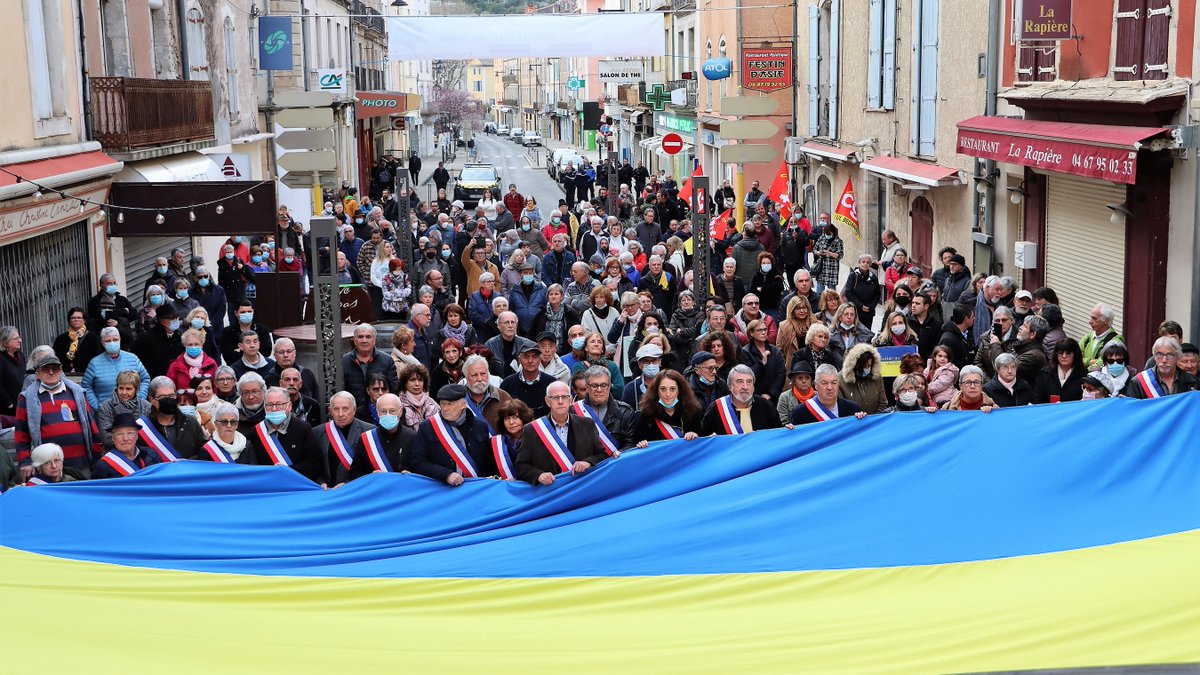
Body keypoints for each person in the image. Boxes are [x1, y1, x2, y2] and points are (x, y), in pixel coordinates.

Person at [15, 352, 102, 480]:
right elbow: (21, 434)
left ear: (61, 371)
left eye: (55, 368)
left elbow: (92, 427)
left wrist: (97, 456)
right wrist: (25, 461)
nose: (51, 372)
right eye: (45, 369)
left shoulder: (77, 392)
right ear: (37, 374)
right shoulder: (26, 398)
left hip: (80, 462)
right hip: (49, 466)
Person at [515, 381, 608, 486]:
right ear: (547, 401)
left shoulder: (587, 424)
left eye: (564, 397)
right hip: (550, 492)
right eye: (555, 397)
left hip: (581, 488)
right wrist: (538, 475)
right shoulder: (532, 429)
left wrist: (587, 462)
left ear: (570, 400)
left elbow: (602, 455)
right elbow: (521, 465)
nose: (560, 401)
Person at [411, 384, 497, 485]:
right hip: (442, 487)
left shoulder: (480, 426)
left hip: (474, 488)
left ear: (463, 405)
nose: (445, 408)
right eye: (442, 404)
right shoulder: (428, 427)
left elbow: (488, 462)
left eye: (450, 404)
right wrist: (446, 474)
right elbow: (417, 463)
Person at [239, 386, 322, 483]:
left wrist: (289, 470)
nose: (274, 409)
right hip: (267, 486)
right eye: (269, 405)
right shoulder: (255, 432)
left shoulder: (303, 429)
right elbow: (250, 466)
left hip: (296, 485)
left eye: (279, 404)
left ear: (289, 406)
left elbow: (315, 464)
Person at [305, 392, 375, 486]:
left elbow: (370, 468)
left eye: (345, 409)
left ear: (354, 410)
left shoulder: (368, 431)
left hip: (354, 490)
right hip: (326, 491)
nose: (340, 414)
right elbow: (312, 464)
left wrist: (348, 484)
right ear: (330, 411)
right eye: (336, 409)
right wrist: (320, 482)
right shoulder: (317, 432)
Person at [344, 393, 416, 480]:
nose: (388, 414)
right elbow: (354, 473)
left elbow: (420, 469)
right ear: (378, 412)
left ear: (400, 412)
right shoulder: (366, 438)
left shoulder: (412, 437)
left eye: (392, 411)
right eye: (383, 411)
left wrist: (412, 475)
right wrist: (370, 476)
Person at [701, 365, 784, 435]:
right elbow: (704, 438)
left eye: (749, 382)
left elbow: (777, 435)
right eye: (739, 381)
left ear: (753, 386)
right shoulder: (717, 408)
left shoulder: (766, 406)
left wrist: (786, 431)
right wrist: (693, 436)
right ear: (730, 386)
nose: (745, 387)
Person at [81, 327, 151, 409]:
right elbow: (86, 386)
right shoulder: (94, 363)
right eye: (107, 341)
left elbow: (145, 379)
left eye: (115, 339)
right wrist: (97, 406)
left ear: (120, 339)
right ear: (102, 343)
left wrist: (139, 397)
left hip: (133, 410)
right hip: (105, 413)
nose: (112, 343)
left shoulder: (133, 358)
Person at [574, 365, 636, 451]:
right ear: (587, 387)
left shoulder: (625, 411)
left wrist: (618, 456)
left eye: (603, 385)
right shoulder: (573, 411)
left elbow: (630, 444)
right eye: (594, 386)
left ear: (610, 386)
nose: (599, 390)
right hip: (585, 463)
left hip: (615, 462)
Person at [142, 376, 204, 459]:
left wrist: (187, 463)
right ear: (151, 400)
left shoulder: (191, 422)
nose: (168, 400)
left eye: (171, 395)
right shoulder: (143, 427)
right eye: (162, 397)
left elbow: (204, 452)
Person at [91, 413, 163, 479]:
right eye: (120, 434)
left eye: (130, 433)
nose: (125, 438)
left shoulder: (152, 454)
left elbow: (162, 479)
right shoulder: (103, 466)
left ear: (137, 435)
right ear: (113, 437)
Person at [791, 364, 867, 424]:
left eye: (834, 383)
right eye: (824, 383)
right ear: (815, 385)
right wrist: (789, 431)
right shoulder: (800, 412)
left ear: (838, 384)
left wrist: (862, 421)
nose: (830, 387)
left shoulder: (852, 409)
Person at [1124, 337, 1198, 398]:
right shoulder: (1138, 382)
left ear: (1177, 357)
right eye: (1159, 354)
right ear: (1154, 357)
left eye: (1169, 355)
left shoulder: (1194, 382)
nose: (1164, 360)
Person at [342, 324, 398, 406]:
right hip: (353, 412)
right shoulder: (344, 361)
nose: (364, 340)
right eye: (360, 337)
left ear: (374, 340)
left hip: (380, 410)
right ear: (354, 340)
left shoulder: (387, 360)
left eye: (368, 337)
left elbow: (394, 389)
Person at [462, 354, 511, 434]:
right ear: (466, 377)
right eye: (474, 375)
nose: (480, 379)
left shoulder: (504, 397)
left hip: (496, 445)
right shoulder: (458, 399)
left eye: (483, 374)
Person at [739, 319, 785, 402]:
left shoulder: (775, 351)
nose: (763, 332)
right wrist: (761, 363)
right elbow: (747, 376)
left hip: (773, 398)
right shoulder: (745, 352)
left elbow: (781, 375)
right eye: (759, 330)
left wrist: (770, 394)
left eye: (765, 329)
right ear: (751, 333)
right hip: (753, 398)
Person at [134, 303, 183, 378]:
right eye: (172, 318)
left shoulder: (178, 336)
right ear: (162, 321)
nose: (176, 320)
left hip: (175, 377)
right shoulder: (147, 338)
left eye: (177, 317)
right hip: (155, 378)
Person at [1033, 337, 1087, 404]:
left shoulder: (1083, 375)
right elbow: (1036, 398)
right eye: (1060, 353)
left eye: (1068, 353)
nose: (1064, 356)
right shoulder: (1046, 372)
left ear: (1075, 355)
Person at [220, 300, 273, 366]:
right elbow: (228, 356)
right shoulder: (228, 332)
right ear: (236, 313)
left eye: (249, 311)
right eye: (243, 312)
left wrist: (241, 350)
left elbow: (267, 351)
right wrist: (254, 350)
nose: (246, 314)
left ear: (253, 312)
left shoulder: (262, 330)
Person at [53, 308, 101, 376]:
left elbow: (97, 357)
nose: (76, 320)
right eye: (73, 318)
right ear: (69, 320)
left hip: (87, 374)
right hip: (66, 374)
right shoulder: (61, 338)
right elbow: (56, 356)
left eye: (79, 318)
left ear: (84, 320)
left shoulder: (93, 338)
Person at [1008, 314, 1049, 387]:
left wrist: (995, 345)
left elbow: (1005, 369)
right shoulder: (1022, 347)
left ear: (1032, 334)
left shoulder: (1034, 356)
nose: (1020, 327)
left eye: (1024, 326)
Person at [1080, 303, 1125, 370]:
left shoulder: (1115, 341)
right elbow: (1073, 357)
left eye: (1094, 318)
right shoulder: (1088, 337)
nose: (1089, 321)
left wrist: (1083, 362)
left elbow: (1102, 364)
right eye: (1090, 317)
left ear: (1105, 321)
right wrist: (1091, 361)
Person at [845, 255, 882, 331]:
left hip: (869, 312)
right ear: (859, 263)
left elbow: (877, 294)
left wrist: (871, 306)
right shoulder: (853, 276)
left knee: (867, 332)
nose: (865, 264)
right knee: (855, 331)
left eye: (868, 262)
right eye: (863, 262)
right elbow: (848, 292)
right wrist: (860, 306)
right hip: (855, 310)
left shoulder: (873, 277)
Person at [938, 303, 977, 369]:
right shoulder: (947, 339)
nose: (974, 318)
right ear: (966, 319)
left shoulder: (969, 335)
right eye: (972, 316)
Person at [810, 223, 843, 294]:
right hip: (821, 268)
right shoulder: (821, 238)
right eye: (826, 233)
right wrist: (819, 253)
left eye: (829, 234)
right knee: (819, 292)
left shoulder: (838, 241)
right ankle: (820, 305)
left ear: (833, 232)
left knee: (832, 293)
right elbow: (814, 249)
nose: (827, 235)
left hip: (832, 270)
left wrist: (829, 253)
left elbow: (840, 255)